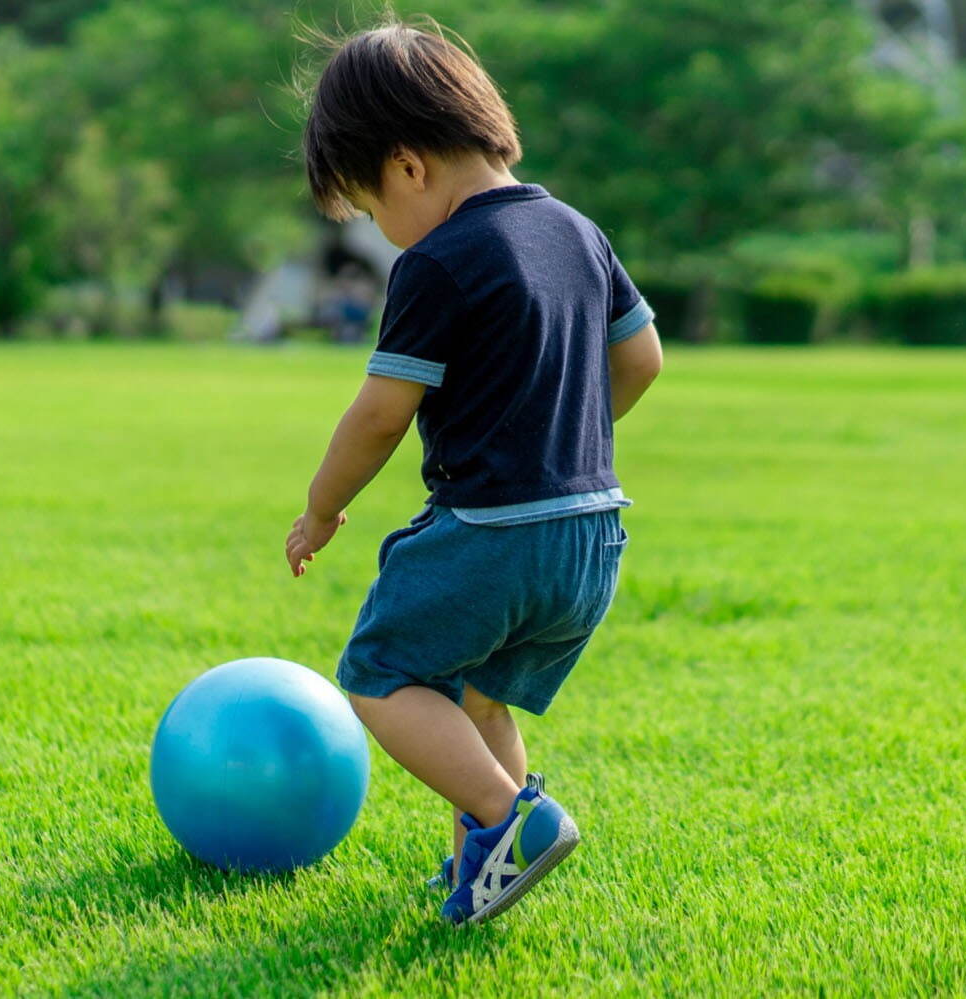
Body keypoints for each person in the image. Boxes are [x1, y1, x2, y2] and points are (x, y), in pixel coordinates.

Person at [285, 18, 663, 925]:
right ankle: (476, 866)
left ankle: (507, 820)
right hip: (590, 534)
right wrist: (559, 432)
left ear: (407, 165)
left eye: (372, 209)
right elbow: (643, 357)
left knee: (379, 670)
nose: (383, 231)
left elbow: (380, 413)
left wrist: (322, 508)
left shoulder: (435, 262)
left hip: (491, 530)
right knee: (478, 696)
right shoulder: (576, 230)